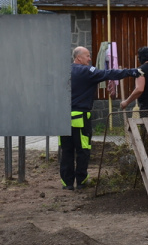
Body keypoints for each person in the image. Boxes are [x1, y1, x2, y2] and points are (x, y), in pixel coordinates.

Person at [60, 46, 143, 190]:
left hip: (62, 118)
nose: (90, 58)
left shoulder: (63, 71)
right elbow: (108, 73)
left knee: (66, 150)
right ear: (78, 58)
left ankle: (67, 184)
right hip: (81, 117)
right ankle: (81, 182)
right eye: (87, 55)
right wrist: (131, 72)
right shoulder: (87, 71)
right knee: (83, 149)